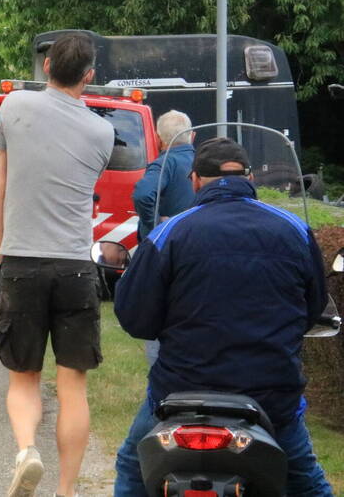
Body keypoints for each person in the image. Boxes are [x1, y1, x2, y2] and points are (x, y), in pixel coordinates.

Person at [113, 137, 332, 496]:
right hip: (272, 398)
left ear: (195, 180)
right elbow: (312, 309)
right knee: (304, 479)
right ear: (249, 177)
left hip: (181, 393)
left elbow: (136, 319)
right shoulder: (294, 229)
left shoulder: (171, 232)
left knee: (133, 466)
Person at [0, 31, 115, 497]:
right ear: (89, 76)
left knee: (23, 376)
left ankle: (26, 451)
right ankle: (66, 490)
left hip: (22, 259)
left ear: (46, 67)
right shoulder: (103, 131)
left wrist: (1, 244)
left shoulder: (13, 106)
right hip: (76, 267)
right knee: (73, 386)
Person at [132, 110, 195, 241]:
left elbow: (142, 195)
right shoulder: (203, 162)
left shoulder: (164, 163)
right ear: (192, 136)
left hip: (165, 244)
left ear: (157, 138)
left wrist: (156, 222)